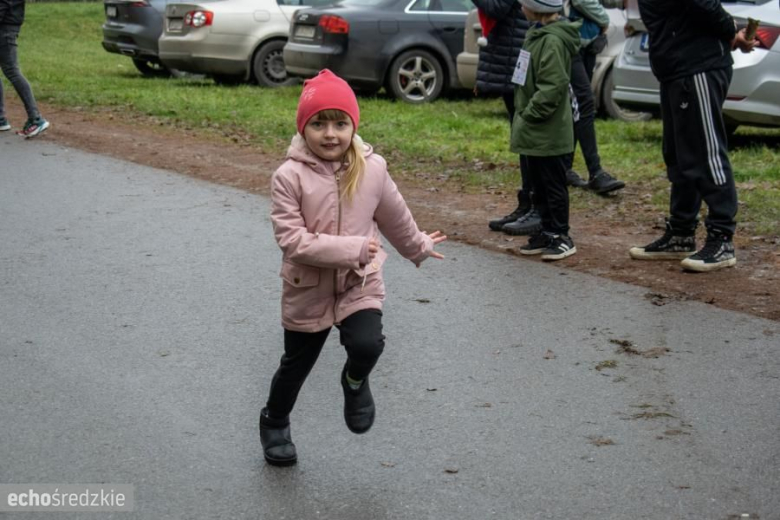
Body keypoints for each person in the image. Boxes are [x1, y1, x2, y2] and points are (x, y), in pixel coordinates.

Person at [259, 69, 447, 466]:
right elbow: (292, 241)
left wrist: (418, 246)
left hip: (359, 281)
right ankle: (275, 421)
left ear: (353, 126)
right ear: (303, 128)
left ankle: (354, 380)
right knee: (295, 367)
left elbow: (394, 215)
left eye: (340, 123)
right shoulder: (288, 177)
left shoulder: (372, 168)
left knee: (366, 344)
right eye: (319, 124)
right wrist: (354, 248)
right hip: (307, 286)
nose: (331, 134)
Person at [628, 0, 756, 272]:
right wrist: (731, 32)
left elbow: (703, 3)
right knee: (679, 154)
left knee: (705, 152)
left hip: (698, 65)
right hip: (675, 68)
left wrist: (729, 29)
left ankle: (721, 238)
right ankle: (681, 233)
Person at [512, 0, 580, 261]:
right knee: (538, 184)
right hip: (534, 129)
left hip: (547, 128)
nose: (520, 5)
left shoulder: (551, 41)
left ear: (537, 7)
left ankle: (561, 235)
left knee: (553, 184)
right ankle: (546, 230)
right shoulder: (535, 35)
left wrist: (529, 114)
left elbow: (552, 86)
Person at [475, 0, 543, 236]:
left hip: (515, 55)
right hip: (508, 55)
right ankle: (526, 204)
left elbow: (497, 7)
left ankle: (537, 207)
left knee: (527, 135)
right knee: (520, 134)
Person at [562, 0, 626, 194]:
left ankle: (565, 168)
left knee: (576, 106)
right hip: (571, 40)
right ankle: (595, 172)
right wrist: (604, 20)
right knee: (584, 103)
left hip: (585, 42)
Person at [0, 0, 49, 138]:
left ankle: (36, 118)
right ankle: (1, 119)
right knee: (11, 71)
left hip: (5, 29)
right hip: (5, 27)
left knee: (12, 71)